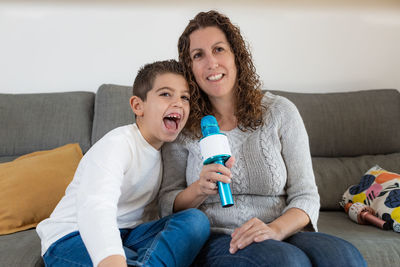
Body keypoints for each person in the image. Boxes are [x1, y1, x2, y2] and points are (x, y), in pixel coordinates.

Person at [159, 11, 367, 267]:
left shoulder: (280, 112)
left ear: (237, 55)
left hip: (282, 230)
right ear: (189, 68)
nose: (211, 63)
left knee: (345, 258)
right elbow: (167, 201)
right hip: (219, 238)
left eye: (219, 49)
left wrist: (276, 230)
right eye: (198, 55)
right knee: (285, 262)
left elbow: (306, 195)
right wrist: (198, 189)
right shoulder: (184, 124)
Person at [36, 60, 210, 267]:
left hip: (130, 235)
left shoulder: (169, 151)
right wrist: (111, 259)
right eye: (165, 94)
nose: (178, 103)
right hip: (73, 236)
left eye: (185, 97)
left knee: (195, 221)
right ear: (138, 106)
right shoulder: (117, 144)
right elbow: (96, 205)